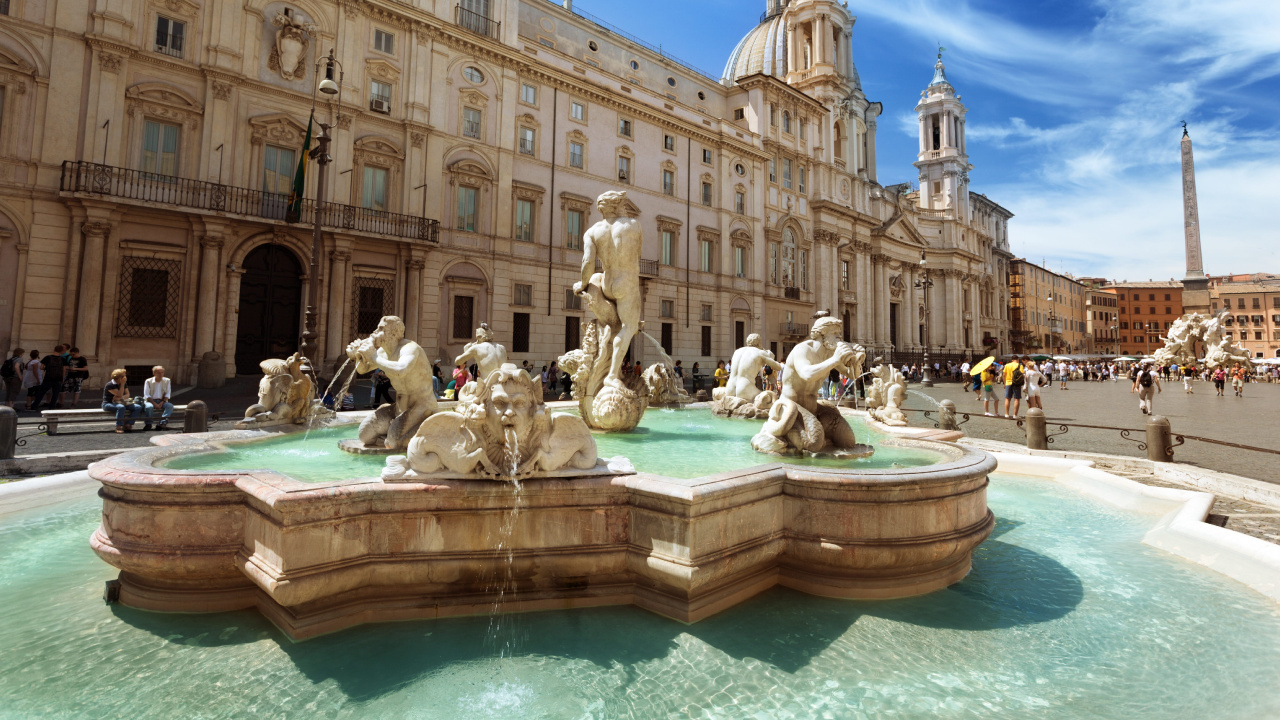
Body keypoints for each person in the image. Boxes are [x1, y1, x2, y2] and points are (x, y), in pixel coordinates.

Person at [102, 368, 142, 433]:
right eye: (123, 376)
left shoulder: (123, 383)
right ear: (118, 378)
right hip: (108, 403)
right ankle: (118, 427)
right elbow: (119, 394)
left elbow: (127, 394)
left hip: (121, 402)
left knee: (138, 407)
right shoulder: (110, 385)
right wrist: (122, 385)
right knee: (121, 407)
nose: (125, 377)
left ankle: (129, 424)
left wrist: (121, 398)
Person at [31, 344, 66, 409]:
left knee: (41, 392)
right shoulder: (62, 359)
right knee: (55, 393)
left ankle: (34, 405)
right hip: (58, 378)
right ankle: (52, 406)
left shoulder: (48, 357)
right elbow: (64, 370)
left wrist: (46, 368)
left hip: (48, 377)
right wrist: (63, 378)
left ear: (54, 349)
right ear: (61, 351)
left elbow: (41, 367)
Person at [142, 365, 174, 430]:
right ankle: (148, 424)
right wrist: (154, 403)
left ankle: (162, 423)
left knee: (170, 406)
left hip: (162, 401)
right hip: (150, 401)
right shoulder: (148, 381)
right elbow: (146, 395)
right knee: (149, 407)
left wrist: (162, 402)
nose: (161, 374)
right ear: (154, 373)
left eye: (162, 372)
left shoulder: (167, 380)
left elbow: (168, 394)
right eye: (159, 373)